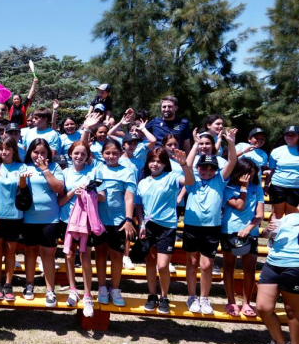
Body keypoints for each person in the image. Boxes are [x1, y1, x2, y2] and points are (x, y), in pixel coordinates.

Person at [182, 131, 239, 315]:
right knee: (192, 262)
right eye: (203, 168)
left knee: (207, 265)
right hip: (192, 226)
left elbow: (232, 161)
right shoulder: (191, 179)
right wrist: (195, 144)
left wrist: (231, 143)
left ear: (216, 169)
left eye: (211, 168)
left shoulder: (219, 179)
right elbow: (187, 165)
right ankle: (192, 296)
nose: (207, 171)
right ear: (198, 167)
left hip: (212, 228)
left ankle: (204, 298)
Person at [135, 146, 195, 314]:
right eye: (152, 161)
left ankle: (164, 296)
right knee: (150, 262)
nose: (155, 164)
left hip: (167, 227)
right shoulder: (143, 182)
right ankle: (152, 295)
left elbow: (190, 182)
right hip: (148, 226)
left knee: (162, 266)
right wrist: (141, 224)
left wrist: (184, 165)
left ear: (165, 164)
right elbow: (138, 205)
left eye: (159, 161)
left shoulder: (171, 177)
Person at [92, 138, 137, 308]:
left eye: (115, 153)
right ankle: (102, 287)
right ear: (102, 154)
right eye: (107, 153)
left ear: (120, 154)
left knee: (117, 255)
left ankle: (115, 288)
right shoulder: (98, 169)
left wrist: (128, 219)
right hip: (99, 220)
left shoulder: (127, 171)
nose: (111, 156)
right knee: (100, 253)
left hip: (119, 221)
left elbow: (129, 197)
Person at [20, 138, 65, 304]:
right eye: (36, 152)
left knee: (48, 253)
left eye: (43, 152)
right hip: (29, 218)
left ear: (48, 154)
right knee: (30, 251)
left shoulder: (54, 167)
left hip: (50, 218)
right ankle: (29, 284)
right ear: (30, 152)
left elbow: (59, 188)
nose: (39, 155)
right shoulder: (24, 167)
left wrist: (45, 170)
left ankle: (50, 290)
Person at [58, 141, 100, 311]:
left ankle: (88, 295)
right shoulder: (64, 173)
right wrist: (73, 191)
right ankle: (73, 290)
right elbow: (60, 201)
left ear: (88, 155)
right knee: (69, 256)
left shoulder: (93, 172)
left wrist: (88, 192)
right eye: (76, 153)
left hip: (86, 222)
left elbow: (102, 196)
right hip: (67, 220)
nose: (79, 157)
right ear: (70, 154)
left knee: (85, 256)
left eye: (83, 154)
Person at [0, 135, 27, 301]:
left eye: (8, 149)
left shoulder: (22, 167)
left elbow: (23, 188)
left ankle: (8, 284)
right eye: (1, 149)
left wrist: (23, 179)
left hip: (15, 216)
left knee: (10, 252)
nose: (4, 152)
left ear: (14, 150)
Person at [221, 159, 264, 317]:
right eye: (247, 174)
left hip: (250, 233)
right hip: (229, 230)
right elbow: (239, 206)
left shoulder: (257, 188)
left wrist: (248, 229)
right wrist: (243, 188)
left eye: (252, 174)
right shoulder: (227, 188)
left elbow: (259, 215)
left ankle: (246, 303)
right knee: (229, 266)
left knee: (250, 269)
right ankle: (231, 301)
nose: (249, 177)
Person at [254, 212, 299, 344]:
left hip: (294, 265)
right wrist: (268, 230)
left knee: (292, 311)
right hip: (272, 263)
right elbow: (268, 236)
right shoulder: (288, 217)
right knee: (263, 307)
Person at [268, 125, 299, 220]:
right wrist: (266, 185)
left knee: (291, 215)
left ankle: (287, 230)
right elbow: (272, 170)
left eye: (293, 135)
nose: (290, 137)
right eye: (287, 134)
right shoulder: (276, 151)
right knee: (277, 214)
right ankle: (273, 230)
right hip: (278, 185)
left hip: (296, 187)